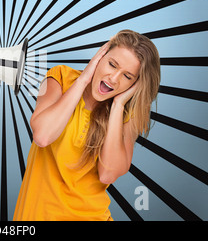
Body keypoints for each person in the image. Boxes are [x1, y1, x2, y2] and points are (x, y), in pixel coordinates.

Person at [13, 29, 160, 221]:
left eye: (127, 76)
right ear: (100, 56)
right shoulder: (59, 78)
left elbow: (107, 174)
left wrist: (118, 105)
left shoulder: (128, 114)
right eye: (112, 64)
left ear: (135, 84)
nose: (113, 79)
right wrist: (83, 80)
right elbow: (42, 136)